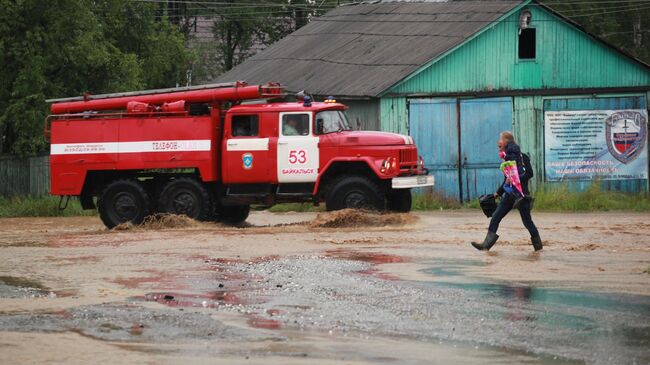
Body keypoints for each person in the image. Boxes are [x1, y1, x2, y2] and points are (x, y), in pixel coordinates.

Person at [471, 131, 542, 252]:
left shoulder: (523, 157)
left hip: (522, 195)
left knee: (527, 222)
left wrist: (516, 179)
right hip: (509, 195)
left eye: (501, 139)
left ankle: (538, 248)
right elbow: (506, 180)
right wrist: (497, 193)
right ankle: (485, 246)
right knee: (495, 217)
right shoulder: (506, 159)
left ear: (506, 142)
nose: (498, 142)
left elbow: (530, 174)